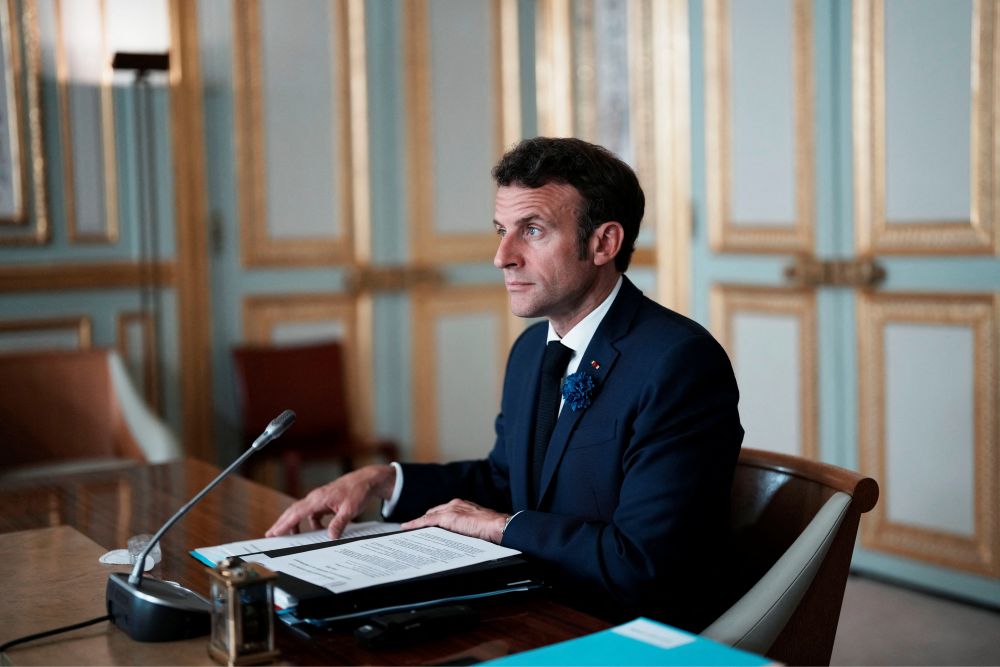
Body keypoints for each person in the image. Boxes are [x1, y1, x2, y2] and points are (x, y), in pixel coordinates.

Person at [266, 137, 743, 631]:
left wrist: (499, 526)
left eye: (532, 231)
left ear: (604, 243)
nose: (502, 257)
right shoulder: (530, 352)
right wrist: (384, 480)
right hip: (529, 607)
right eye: (501, 231)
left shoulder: (679, 363)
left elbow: (644, 563)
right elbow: (505, 480)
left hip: (621, 633)